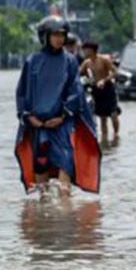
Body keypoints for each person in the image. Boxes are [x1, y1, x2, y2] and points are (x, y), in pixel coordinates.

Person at [14, 16, 101, 197]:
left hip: (62, 123)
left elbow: (75, 90)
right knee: (41, 166)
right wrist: (28, 116)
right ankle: (44, 212)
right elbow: (22, 91)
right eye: (54, 35)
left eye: (62, 35)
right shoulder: (32, 61)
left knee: (65, 163)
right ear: (45, 36)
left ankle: (65, 209)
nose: (59, 39)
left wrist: (63, 115)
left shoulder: (69, 61)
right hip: (38, 124)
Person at [80, 40, 121, 146]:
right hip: (96, 90)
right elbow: (78, 74)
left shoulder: (104, 59)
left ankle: (116, 135)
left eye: (86, 50)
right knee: (102, 116)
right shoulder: (87, 63)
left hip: (107, 88)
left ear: (92, 50)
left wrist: (104, 80)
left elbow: (115, 72)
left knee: (113, 113)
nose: (84, 52)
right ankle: (104, 138)